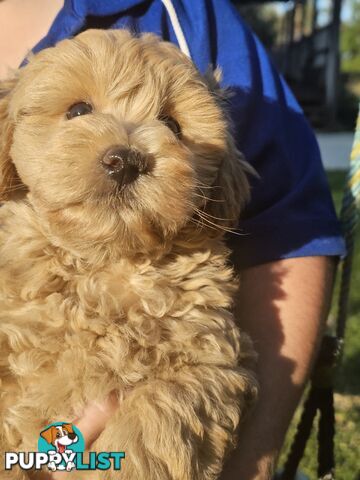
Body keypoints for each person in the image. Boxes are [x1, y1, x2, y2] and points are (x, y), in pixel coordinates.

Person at [0, 1, 345, 478]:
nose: (124, 151)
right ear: (9, 136)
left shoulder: (188, 14)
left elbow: (290, 224)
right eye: (79, 110)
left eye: (172, 126)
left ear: (219, 182)